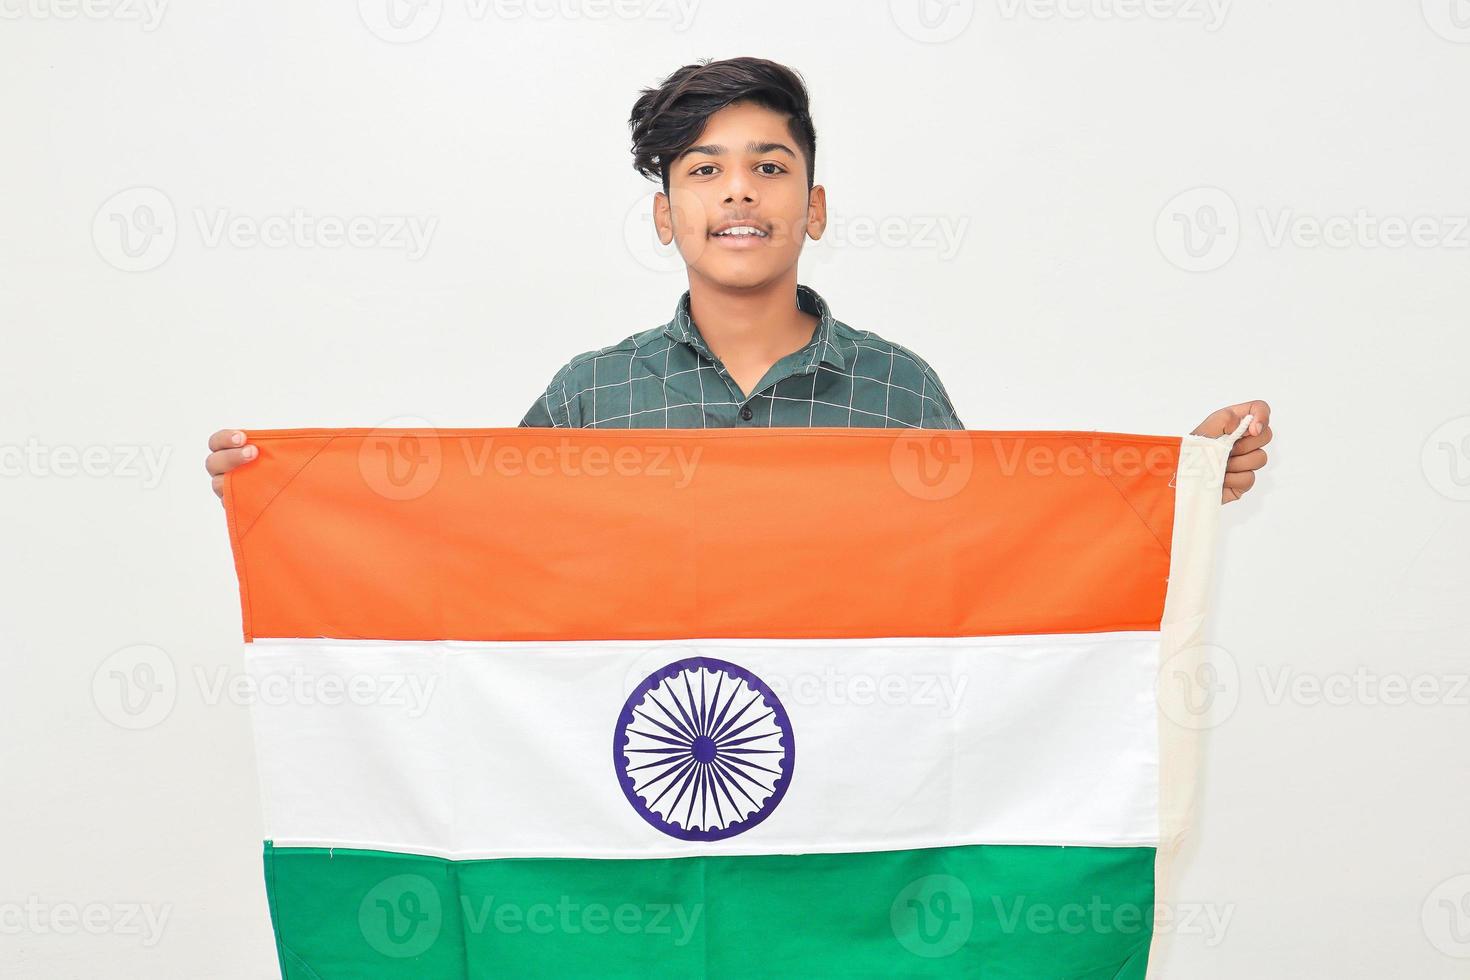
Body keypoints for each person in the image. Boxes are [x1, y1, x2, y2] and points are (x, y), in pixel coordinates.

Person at [206, 56, 1270, 502]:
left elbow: (994, 552)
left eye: (771, 166)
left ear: (813, 206)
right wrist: (291, 488)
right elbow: (481, 539)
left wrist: (1182, 489)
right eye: (704, 171)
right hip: (639, 769)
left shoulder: (901, 391)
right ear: (666, 215)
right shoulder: (589, 395)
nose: (740, 194)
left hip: (849, 780)